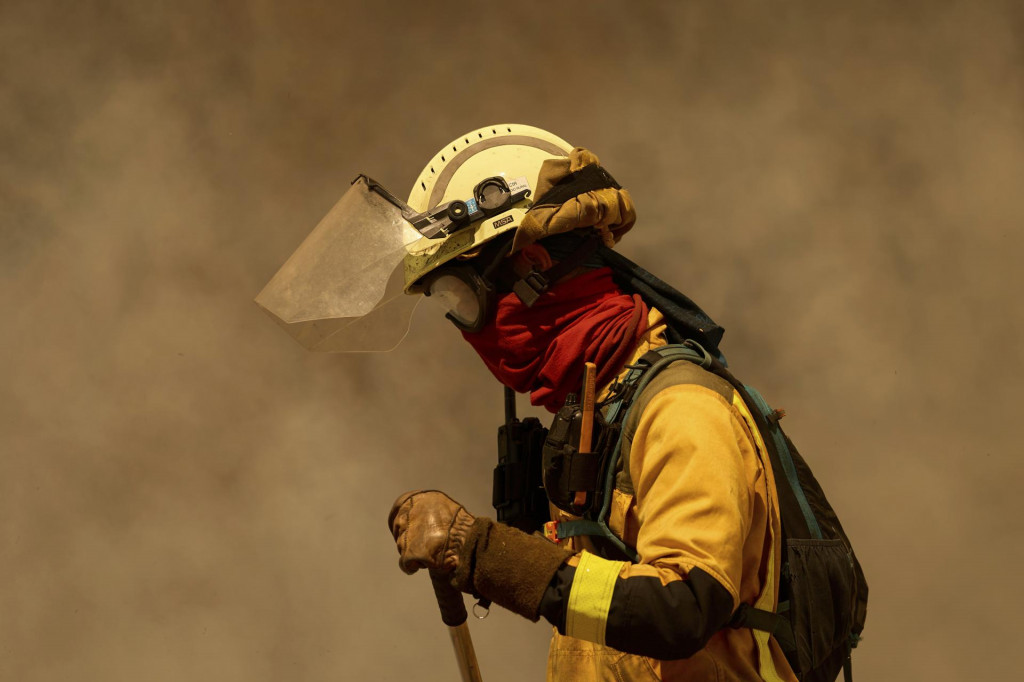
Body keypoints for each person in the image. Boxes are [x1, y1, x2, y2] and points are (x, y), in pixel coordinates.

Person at [257, 124, 799, 681]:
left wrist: (480, 551)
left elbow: (681, 609)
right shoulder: (601, 411)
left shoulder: (681, 410)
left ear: (534, 266)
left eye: (461, 296)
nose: (469, 328)